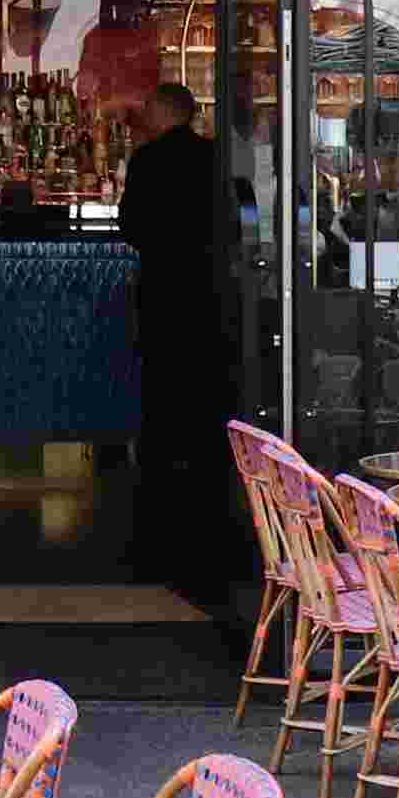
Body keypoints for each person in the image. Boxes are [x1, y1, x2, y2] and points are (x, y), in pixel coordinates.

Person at [118, 80, 244, 591]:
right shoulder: (216, 159)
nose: (142, 110)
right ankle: (209, 492)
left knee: (163, 395)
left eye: (147, 104)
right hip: (210, 294)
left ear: (165, 111)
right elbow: (236, 225)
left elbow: (130, 226)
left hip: (164, 293)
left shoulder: (148, 161)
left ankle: (164, 499)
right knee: (207, 395)